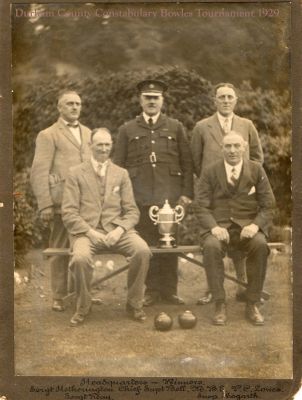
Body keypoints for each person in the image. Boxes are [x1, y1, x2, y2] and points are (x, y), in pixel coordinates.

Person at [113, 79, 193, 306]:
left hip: (170, 200)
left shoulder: (175, 127)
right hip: (140, 198)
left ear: (162, 101)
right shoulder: (127, 129)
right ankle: (151, 291)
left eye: (155, 98)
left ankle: (169, 291)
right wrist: (122, 200)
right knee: (146, 245)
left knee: (170, 244)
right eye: (147, 98)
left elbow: (187, 163)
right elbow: (118, 168)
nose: (151, 102)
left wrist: (186, 194)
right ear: (140, 100)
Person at [62, 128, 151, 326]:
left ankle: (134, 303)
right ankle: (83, 306)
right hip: (86, 232)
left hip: (117, 230)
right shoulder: (75, 173)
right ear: (90, 146)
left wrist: (119, 229)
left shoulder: (121, 174)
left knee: (142, 250)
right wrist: (90, 232)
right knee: (80, 258)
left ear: (112, 146)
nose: (103, 149)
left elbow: (132, 211)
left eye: (107, 145)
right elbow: (69, 212)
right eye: (99, 145)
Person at [191, 82, 264, 304]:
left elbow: (257, 158)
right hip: (212, 195)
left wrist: (245, 182)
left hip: (241, 194)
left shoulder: (247, 125)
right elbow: (195, 161)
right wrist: (211, 184)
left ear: (235, 100)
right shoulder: (202, 127)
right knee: (213, 241)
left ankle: (243, 284)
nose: (225, 101)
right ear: (214, 100)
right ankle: (211, 289)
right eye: (221, 97)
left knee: (241, 235)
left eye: (229, 97)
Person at [195, 132, 275, 325]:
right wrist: (213, 227)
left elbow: (268, 205)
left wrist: (255, 225)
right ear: (222, 148)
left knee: (260, 245)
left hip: (247, 226)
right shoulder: (210, 171)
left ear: (244, 147)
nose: (232, 151)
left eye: (236, 146)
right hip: (219, 227)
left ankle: (252, 303)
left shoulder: (256, 170)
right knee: (212, 247)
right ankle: (219, 303)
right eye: (228, 146)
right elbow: (201, 206)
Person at [30, 90, 91, 312]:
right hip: (60, 203)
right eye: (69, 104)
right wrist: (45, 204)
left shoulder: (88, 133)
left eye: (78, 103)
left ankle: (80, 292)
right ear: (60, 108)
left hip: (86, 204)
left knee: (83, 249)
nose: (75, 107)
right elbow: (39, 171)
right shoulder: (48, 134)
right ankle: (58, 295)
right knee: (59, 248)